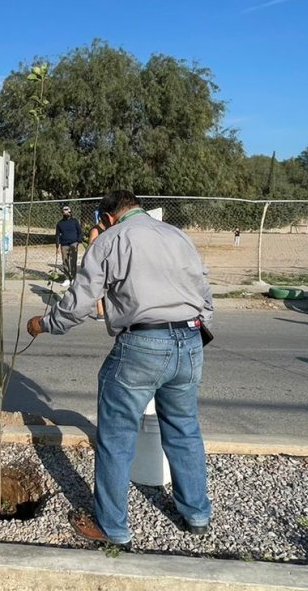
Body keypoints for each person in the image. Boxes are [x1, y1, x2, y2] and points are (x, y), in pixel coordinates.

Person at [27, 190, 214, 550]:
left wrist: (45, 323)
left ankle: (112, 526)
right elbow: (205, 293)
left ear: (108, 217)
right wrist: (196, 324)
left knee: (116, 438)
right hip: (190, 341)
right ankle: (197, 515)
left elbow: (79, 303)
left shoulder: (111, 239)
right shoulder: (177, 235)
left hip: (142, 344)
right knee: (184, 429)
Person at [55, 205, 82, 286]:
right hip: (64, 245)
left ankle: (73, 278)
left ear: (70, 212)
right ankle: (67, 279)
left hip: (74, 243)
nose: (66, 212)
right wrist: (57, 246)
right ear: (62, 212)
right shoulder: (60, 223)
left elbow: (79, 232)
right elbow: (57, 235)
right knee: (65, 262)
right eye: (64, 210)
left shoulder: (74, 221)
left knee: (73, 261)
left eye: (67, 210)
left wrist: (78, 242)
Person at [88, 211, 107, 321]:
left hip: (107, 261)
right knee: (98, 287)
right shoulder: (96, 230)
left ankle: (106, 310)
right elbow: (91, 247)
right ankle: (100, 312)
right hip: (97, 261)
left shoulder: (109, 229)